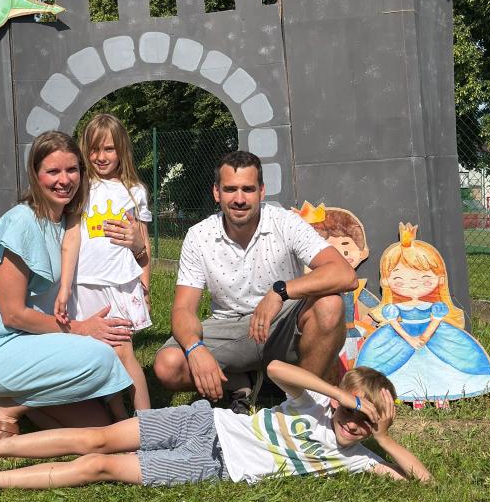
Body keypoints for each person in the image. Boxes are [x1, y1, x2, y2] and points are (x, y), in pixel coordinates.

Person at [0, 361, 432, 500]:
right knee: (97, 437)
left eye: (366, 422)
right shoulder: (315, 406)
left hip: (214, 465)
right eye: (354, 412)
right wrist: (342, 395)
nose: (354, 423)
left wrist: (381, 435)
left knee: (101, 466)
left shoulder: (356, 457)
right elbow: (278, 368)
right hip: (203, 419)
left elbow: (422, 482)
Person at [0, 131, 134, 437]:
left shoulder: (68, 222)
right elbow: (12, 314)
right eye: (53, 171)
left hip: (37, 343)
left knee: (98, 424)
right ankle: (7, 408)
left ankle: (0, 402)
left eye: (72, 170)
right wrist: (81, 329)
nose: (64, 180)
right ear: (35, 174)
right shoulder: (22, 222)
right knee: (100, 357)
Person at [153, 151, 358, 410]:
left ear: (261, 191)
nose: (239, 199)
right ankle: (240, 379)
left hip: (282, 324)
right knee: (168, 365)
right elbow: (183, 309)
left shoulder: (285, 222)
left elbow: (345, 274)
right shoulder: (199, 236)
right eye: (230, 189)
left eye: (248, 189)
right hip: (228, 326)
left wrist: (280, 292)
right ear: (217, 192)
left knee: (330, 305)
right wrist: (195, 349)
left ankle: (301, 403)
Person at [55, 113, 153, 410]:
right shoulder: (80, 187)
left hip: (119, 284)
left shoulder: (135, 190)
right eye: (94, 149)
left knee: (123, 352)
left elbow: (143, 242)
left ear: (121, 149)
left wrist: (145, 285)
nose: (100, 157)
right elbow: (71, 236)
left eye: (108, 149)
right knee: (98, 354)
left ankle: (148, 422)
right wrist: (65, 287)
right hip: (84, 283)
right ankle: (120, 417)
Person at [357, 223, 490, 405]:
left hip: (435, 336)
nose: (413, 283)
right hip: (402, 337)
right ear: (386, 280)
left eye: (424, 278)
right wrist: (411, 340)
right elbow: (394, 324)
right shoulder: (393, 309)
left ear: (439, 278)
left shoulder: (436, 307)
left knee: (446, 362)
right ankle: (410, 393)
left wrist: (423, 338)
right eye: (399, 278)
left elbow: (435, 322)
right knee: (397, 364)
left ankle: (441, 393)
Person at [299, 202, 380, 369]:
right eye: (330, 248)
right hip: (322, 339)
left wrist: (368, 321)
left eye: (345, 245)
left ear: (363, 251)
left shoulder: (355, 289)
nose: (341, 253)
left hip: (352, 336)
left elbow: (376, 308)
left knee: (352, 366)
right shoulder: (311, 288)